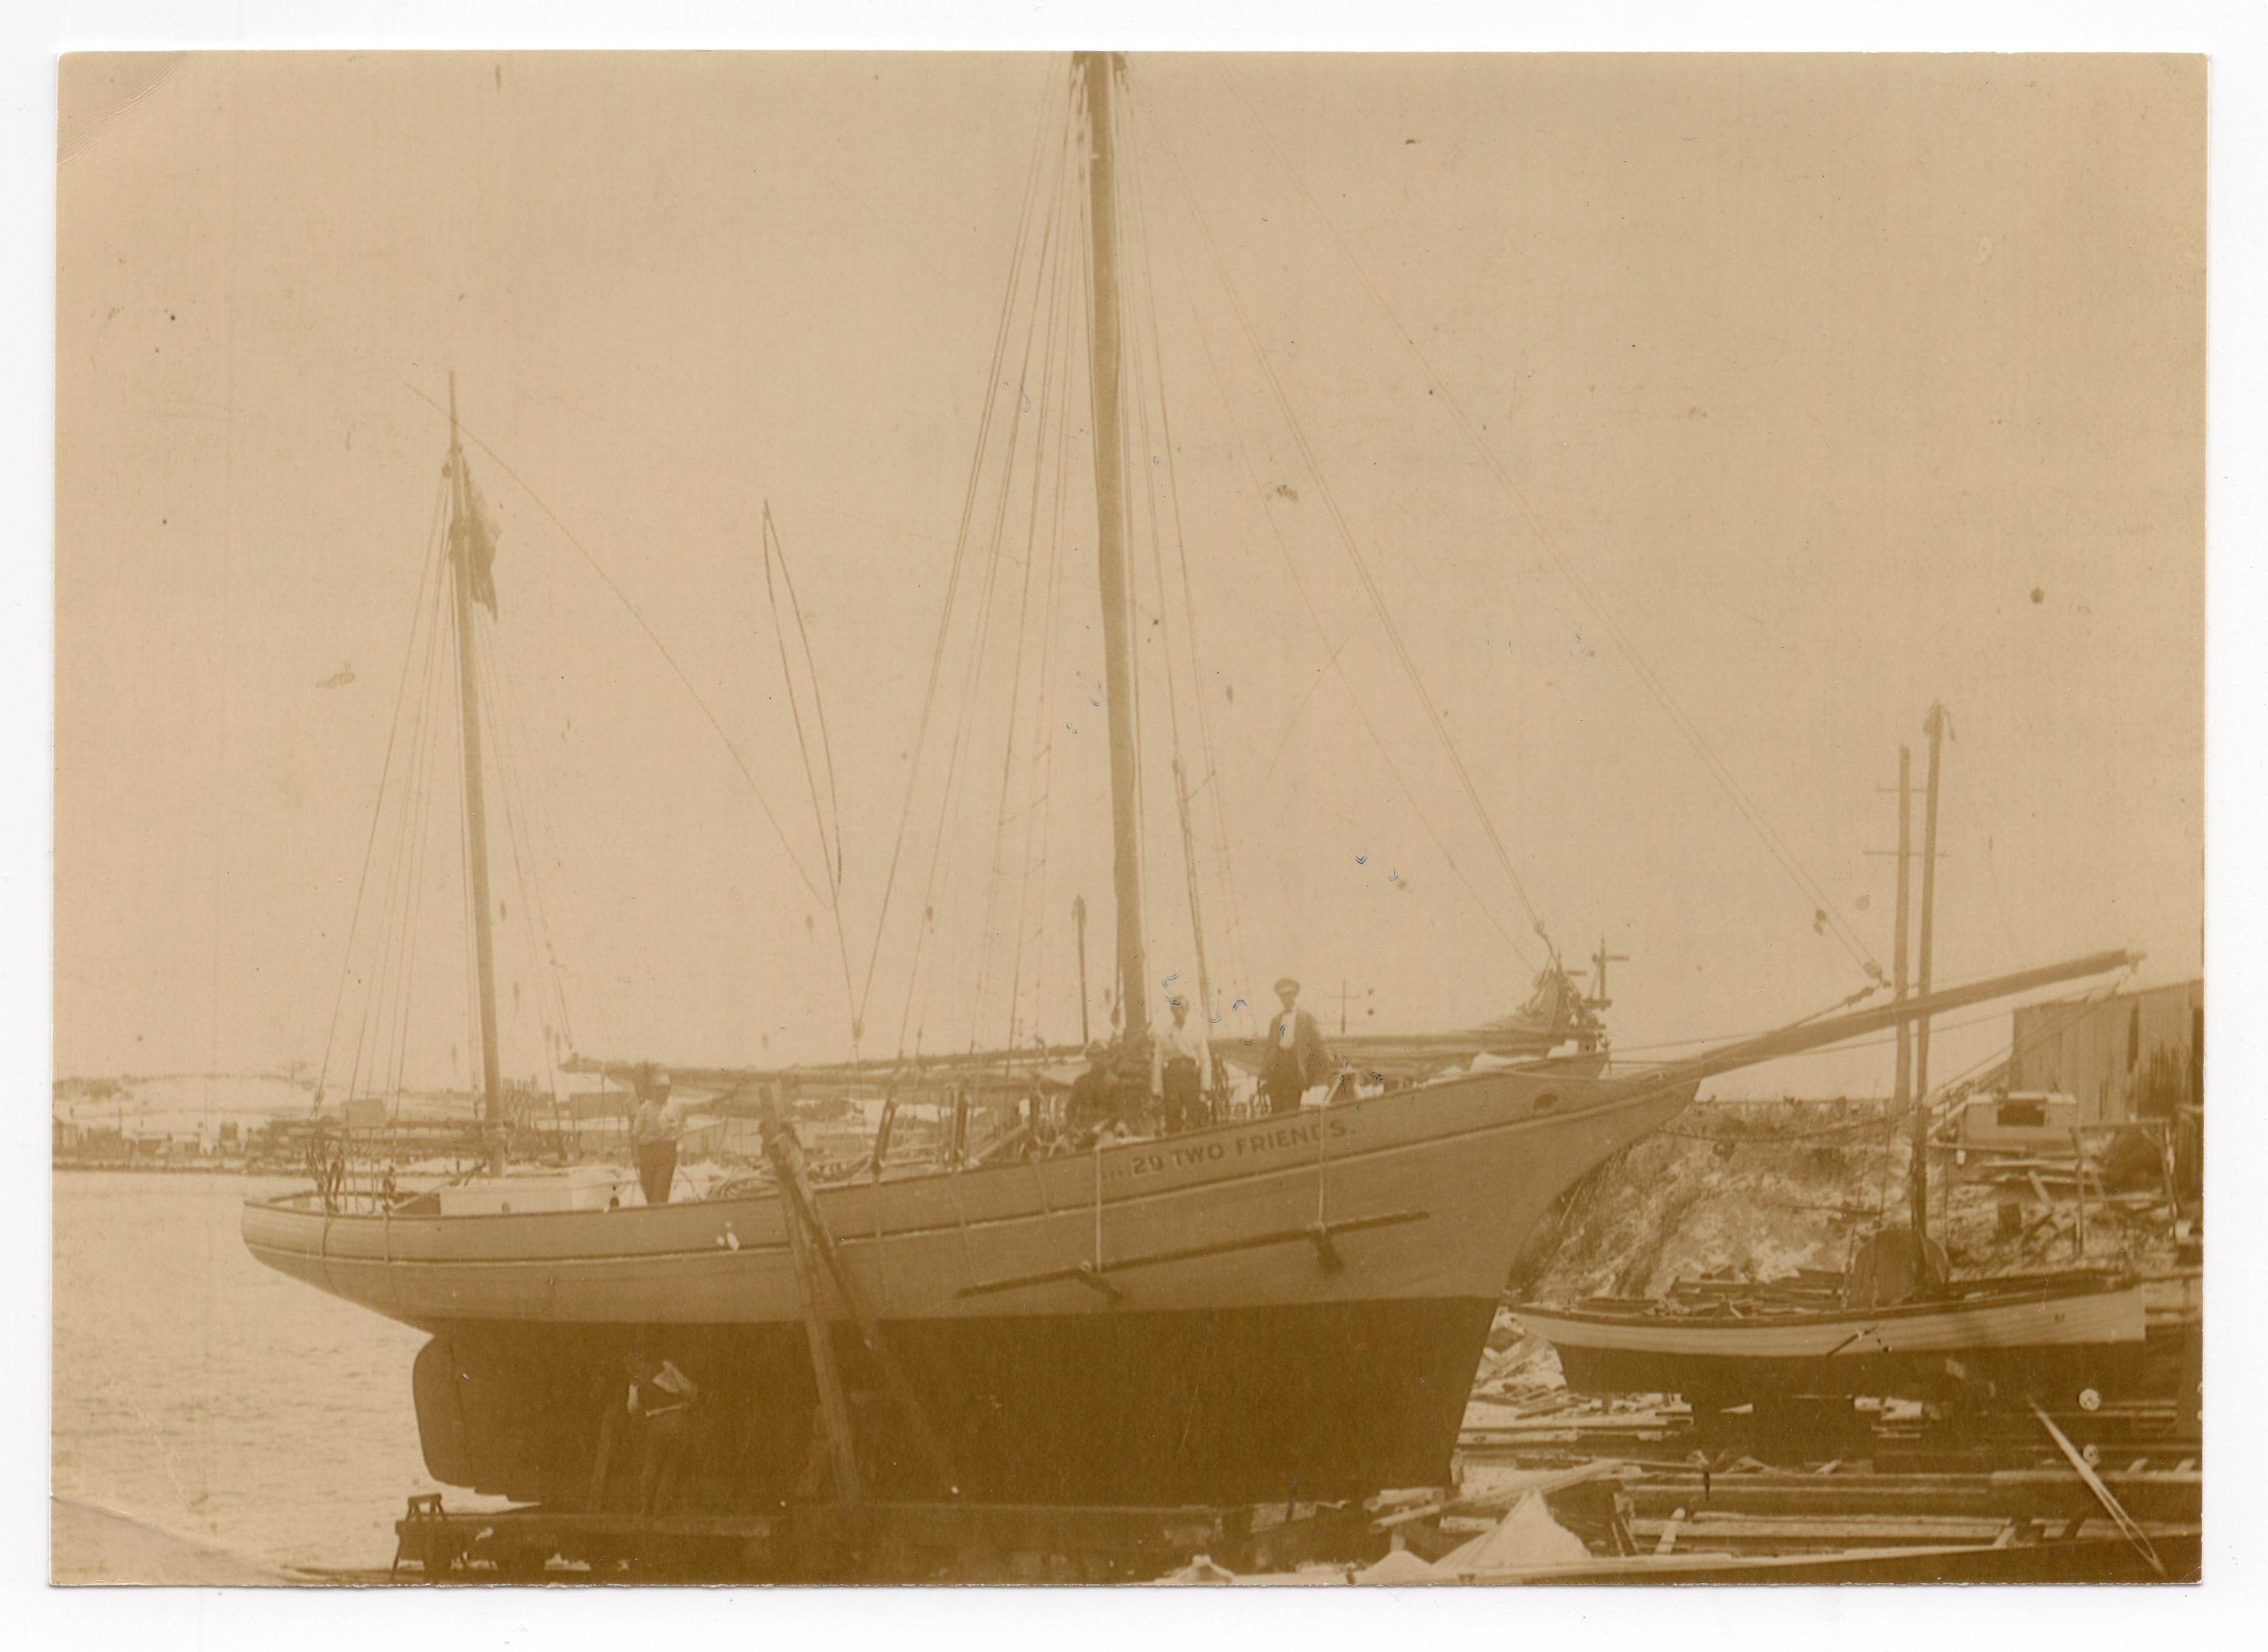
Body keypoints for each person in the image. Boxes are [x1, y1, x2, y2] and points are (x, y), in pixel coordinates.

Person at [625, 1345, 699, 1516]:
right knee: (671, 1465)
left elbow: (633, 1408)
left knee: (652, 1465)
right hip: (677, 1419)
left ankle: (646, 1507)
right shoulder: (666, 1367)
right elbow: (688, 1389)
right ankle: (661, 1508)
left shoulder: (636, 1382)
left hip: (656, 1423)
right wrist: (688, 1401)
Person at [1262, 977, 1332, 1116]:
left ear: (1295, 995)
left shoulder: (1306, 1018)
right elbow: (1269, 1047)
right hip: (1277, 1067)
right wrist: (1264, 1071)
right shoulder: (1276, 1021)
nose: (1286, 999)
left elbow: (1319, 1043)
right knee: (1276, 1108)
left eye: (1289, 995)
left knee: (1291, 1108)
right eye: (1282, 996)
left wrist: (1331, 1063)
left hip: (1294, 1066)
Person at [1152, 999, 1207, 1133]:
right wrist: (1157, 1090)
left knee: (1196, 1114)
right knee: (1173, 1115)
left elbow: (1205, 1059)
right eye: (1176, 1009)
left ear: (1187, 1010)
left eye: (1182, 1008)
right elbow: (1157, 1062)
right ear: (1172, 1011)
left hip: (1191, 1077)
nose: (1179, 1012)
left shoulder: (1196, 1032)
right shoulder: (1164, 1035)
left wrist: (1206, 1087)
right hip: (1172, 1078)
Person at [632, 1070, 681, 1205]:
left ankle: (659, 1215)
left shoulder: (675, 1106)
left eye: (666, 1089)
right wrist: (636, 1157)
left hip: (667, 1153)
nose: (664, 1092)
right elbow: (635, 1134)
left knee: (660, 1193)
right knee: (649, 1192)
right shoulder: (645, 1109)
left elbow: (700, 1106)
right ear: (654, 1090)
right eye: (660, 1089)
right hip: (648, 1154)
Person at [1065, 1043, 1117, 1138]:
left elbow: (1117, 1113)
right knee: (1061, 1145)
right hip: (1082, 1129)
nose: (1097, 1060)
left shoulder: (1114, 1082)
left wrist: (1101, 1127)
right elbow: (1071, 1107)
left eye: (1101, 1055)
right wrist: (1072, 1125)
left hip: (1105, 1130)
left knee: (1106, 1144)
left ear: (1107, 1057)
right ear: (1089, 1058)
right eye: (1094, 1056)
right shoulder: (1080, 1081)